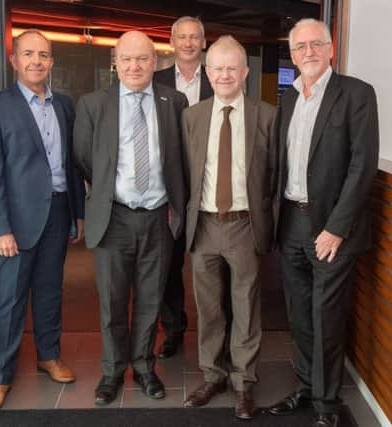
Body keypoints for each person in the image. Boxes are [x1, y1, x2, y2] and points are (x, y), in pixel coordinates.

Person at [268, 19, 379, 427]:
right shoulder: (289, 99)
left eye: (316, 44)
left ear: (330, 49)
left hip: (331, 229)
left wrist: (336, 227)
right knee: (299, 314)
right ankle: (307, 387)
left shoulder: (357, 94)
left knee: (327, 315)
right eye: (300, 47)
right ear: (293, 54)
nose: (308, 52)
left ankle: (328, 405)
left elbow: (362, 165)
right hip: (292, 224)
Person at [73, 31, 188, 406]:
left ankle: (143, 366)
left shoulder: (175, 101)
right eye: (127, 59)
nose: (134, 66)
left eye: (142, 59)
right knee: (112, 299)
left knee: (151, 300)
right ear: (115, 62)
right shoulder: (93, 104)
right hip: (114, 216)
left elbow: (182, 159)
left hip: (158, 217)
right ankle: (111, 372)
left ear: (156, 63)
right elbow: (84, 158)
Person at [0, 30, 85, 413]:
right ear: (14, 60)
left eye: (44, 55)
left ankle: (49, 355)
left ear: (52, 62)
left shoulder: (64, 105)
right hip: (15, 220)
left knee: (49, 290)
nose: (37, 61)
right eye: (29, 54)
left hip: (58, 211)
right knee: (9, 299)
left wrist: (78, 213)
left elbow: (71, 166)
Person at [181, 35, 277, 420]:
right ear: (208, 72)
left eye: (232, 68)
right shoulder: (192, 116)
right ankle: (212, 375)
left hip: (244, 224)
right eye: (217, 68)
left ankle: (244, 383)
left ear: (245, 72)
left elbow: (276, 174)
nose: (224, 75)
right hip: (203, 224)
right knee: (208, 308)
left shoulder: (267, 115)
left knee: (246, 305)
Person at [152, 15, 214, 360]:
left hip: (209, 185)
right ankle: (173, 329)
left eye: (195, 37)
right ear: (172, 42)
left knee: (211, 265)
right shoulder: (155, 79)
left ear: (203, 42)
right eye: (183, 37)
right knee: (169, 265)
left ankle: (214, 333)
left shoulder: (218, 77)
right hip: (167, 188)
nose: (189, 43)